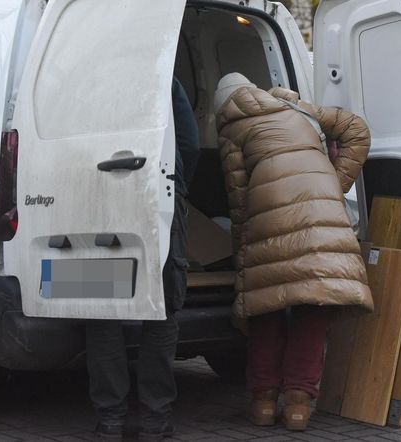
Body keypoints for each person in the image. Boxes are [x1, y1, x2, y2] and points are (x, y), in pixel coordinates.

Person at [213, 73, 374, 431]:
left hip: (269, 220)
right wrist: (332, 184)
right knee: (312, 308)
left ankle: (264, 404)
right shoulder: (297, 108)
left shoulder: (231, 130)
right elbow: (357, 131)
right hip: (322, 216)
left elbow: (238, 199)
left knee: (266, 311)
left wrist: (241, 249)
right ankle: (299, 405)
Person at [86, 77, 199, 441]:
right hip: (158, 194)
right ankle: (155, 418)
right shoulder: (160, 70)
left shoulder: (86, 78)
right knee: (162, 308)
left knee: (104, 310)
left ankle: (110, 420)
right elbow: (190, 143)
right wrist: (178, 186)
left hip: (100, 196)